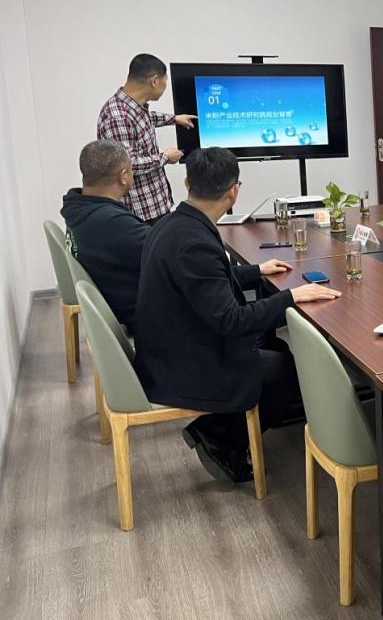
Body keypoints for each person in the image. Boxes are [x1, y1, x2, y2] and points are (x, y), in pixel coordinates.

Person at [133, 147, 340, 482]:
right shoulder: (194, 242)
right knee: (288, 370)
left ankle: (225, 428)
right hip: (182, 363)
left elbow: (205, 282)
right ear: (233, 192)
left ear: (187, 183)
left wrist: (255, 271)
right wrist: (291, 297)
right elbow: (231, 321)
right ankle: (220, 436)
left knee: (278, 350)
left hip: (168, 345)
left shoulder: (173, 223)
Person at [61, 140, 149, 333]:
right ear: (124, 176)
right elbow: (169, 251)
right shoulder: (112, 223)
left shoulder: (76, 208)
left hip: (118, 303)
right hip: (146, 317)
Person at [97, 53, 197, 224]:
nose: (165, 86)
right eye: (165, 81)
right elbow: (128, 164)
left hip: (155, 205)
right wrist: (165, 157)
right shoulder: (117, 117)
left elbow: (144, 119)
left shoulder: (132, 107)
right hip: (141, 213)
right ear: (154, 81)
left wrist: (174, 119)